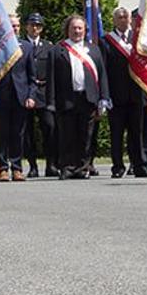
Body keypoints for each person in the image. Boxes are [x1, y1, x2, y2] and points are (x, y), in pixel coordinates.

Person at [42, 15, 109, 179]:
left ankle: (82, 167)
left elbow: (102, 75)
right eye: (74, 28)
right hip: (66, 99)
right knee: (66, 135)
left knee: (86, 135)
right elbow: (51, 79)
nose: (77, 31)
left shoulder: (93, 49)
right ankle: (67, 167)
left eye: (80, 28)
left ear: (85, 30)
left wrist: (104, 98)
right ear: (68, 30)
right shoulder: (57, 50)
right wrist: (50, 102)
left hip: (88, 98)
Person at [99, 7, 147, 178]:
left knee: (137, 133)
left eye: (125, 17)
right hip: (117, 95)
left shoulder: (138, 38)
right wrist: (105, 96)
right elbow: (103, 70)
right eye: (119, 17)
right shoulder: (106, 41)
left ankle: (139, 165)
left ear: (130, 19)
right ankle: (118, 167)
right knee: (117, 134)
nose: (123, 20)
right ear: (114, 20)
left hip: (137, 94)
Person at [0, 15, 40, 182]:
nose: (16, 28)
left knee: (18, 134)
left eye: (18, 25)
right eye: (12, 25)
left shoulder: (26, 47)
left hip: (20, 96)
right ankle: (3, 168)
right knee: (2, 133)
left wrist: (31, 96)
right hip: (1, 96)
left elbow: (32, 77)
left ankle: (17, 168)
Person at [18, 13, 55, 179]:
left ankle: (51, 165)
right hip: (26, 92)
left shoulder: (48, 46)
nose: (35, 28)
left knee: (49, 128)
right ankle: (32, 166)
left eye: (38, 26)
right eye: (32, 25)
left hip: (44, 92)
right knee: (28, 132)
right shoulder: (20, 45)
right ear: (26, 26)